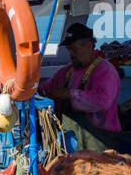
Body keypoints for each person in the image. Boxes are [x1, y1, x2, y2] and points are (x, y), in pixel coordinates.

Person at [41, 23, 121, 151]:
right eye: (69, 49)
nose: (71, 54)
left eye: (74, 49)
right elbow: (44, 90)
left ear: (89, 45)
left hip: (99, 143)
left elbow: (102, 101)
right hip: (70, 143)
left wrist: (70, 94)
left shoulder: (105, 70)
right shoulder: (66, 72)